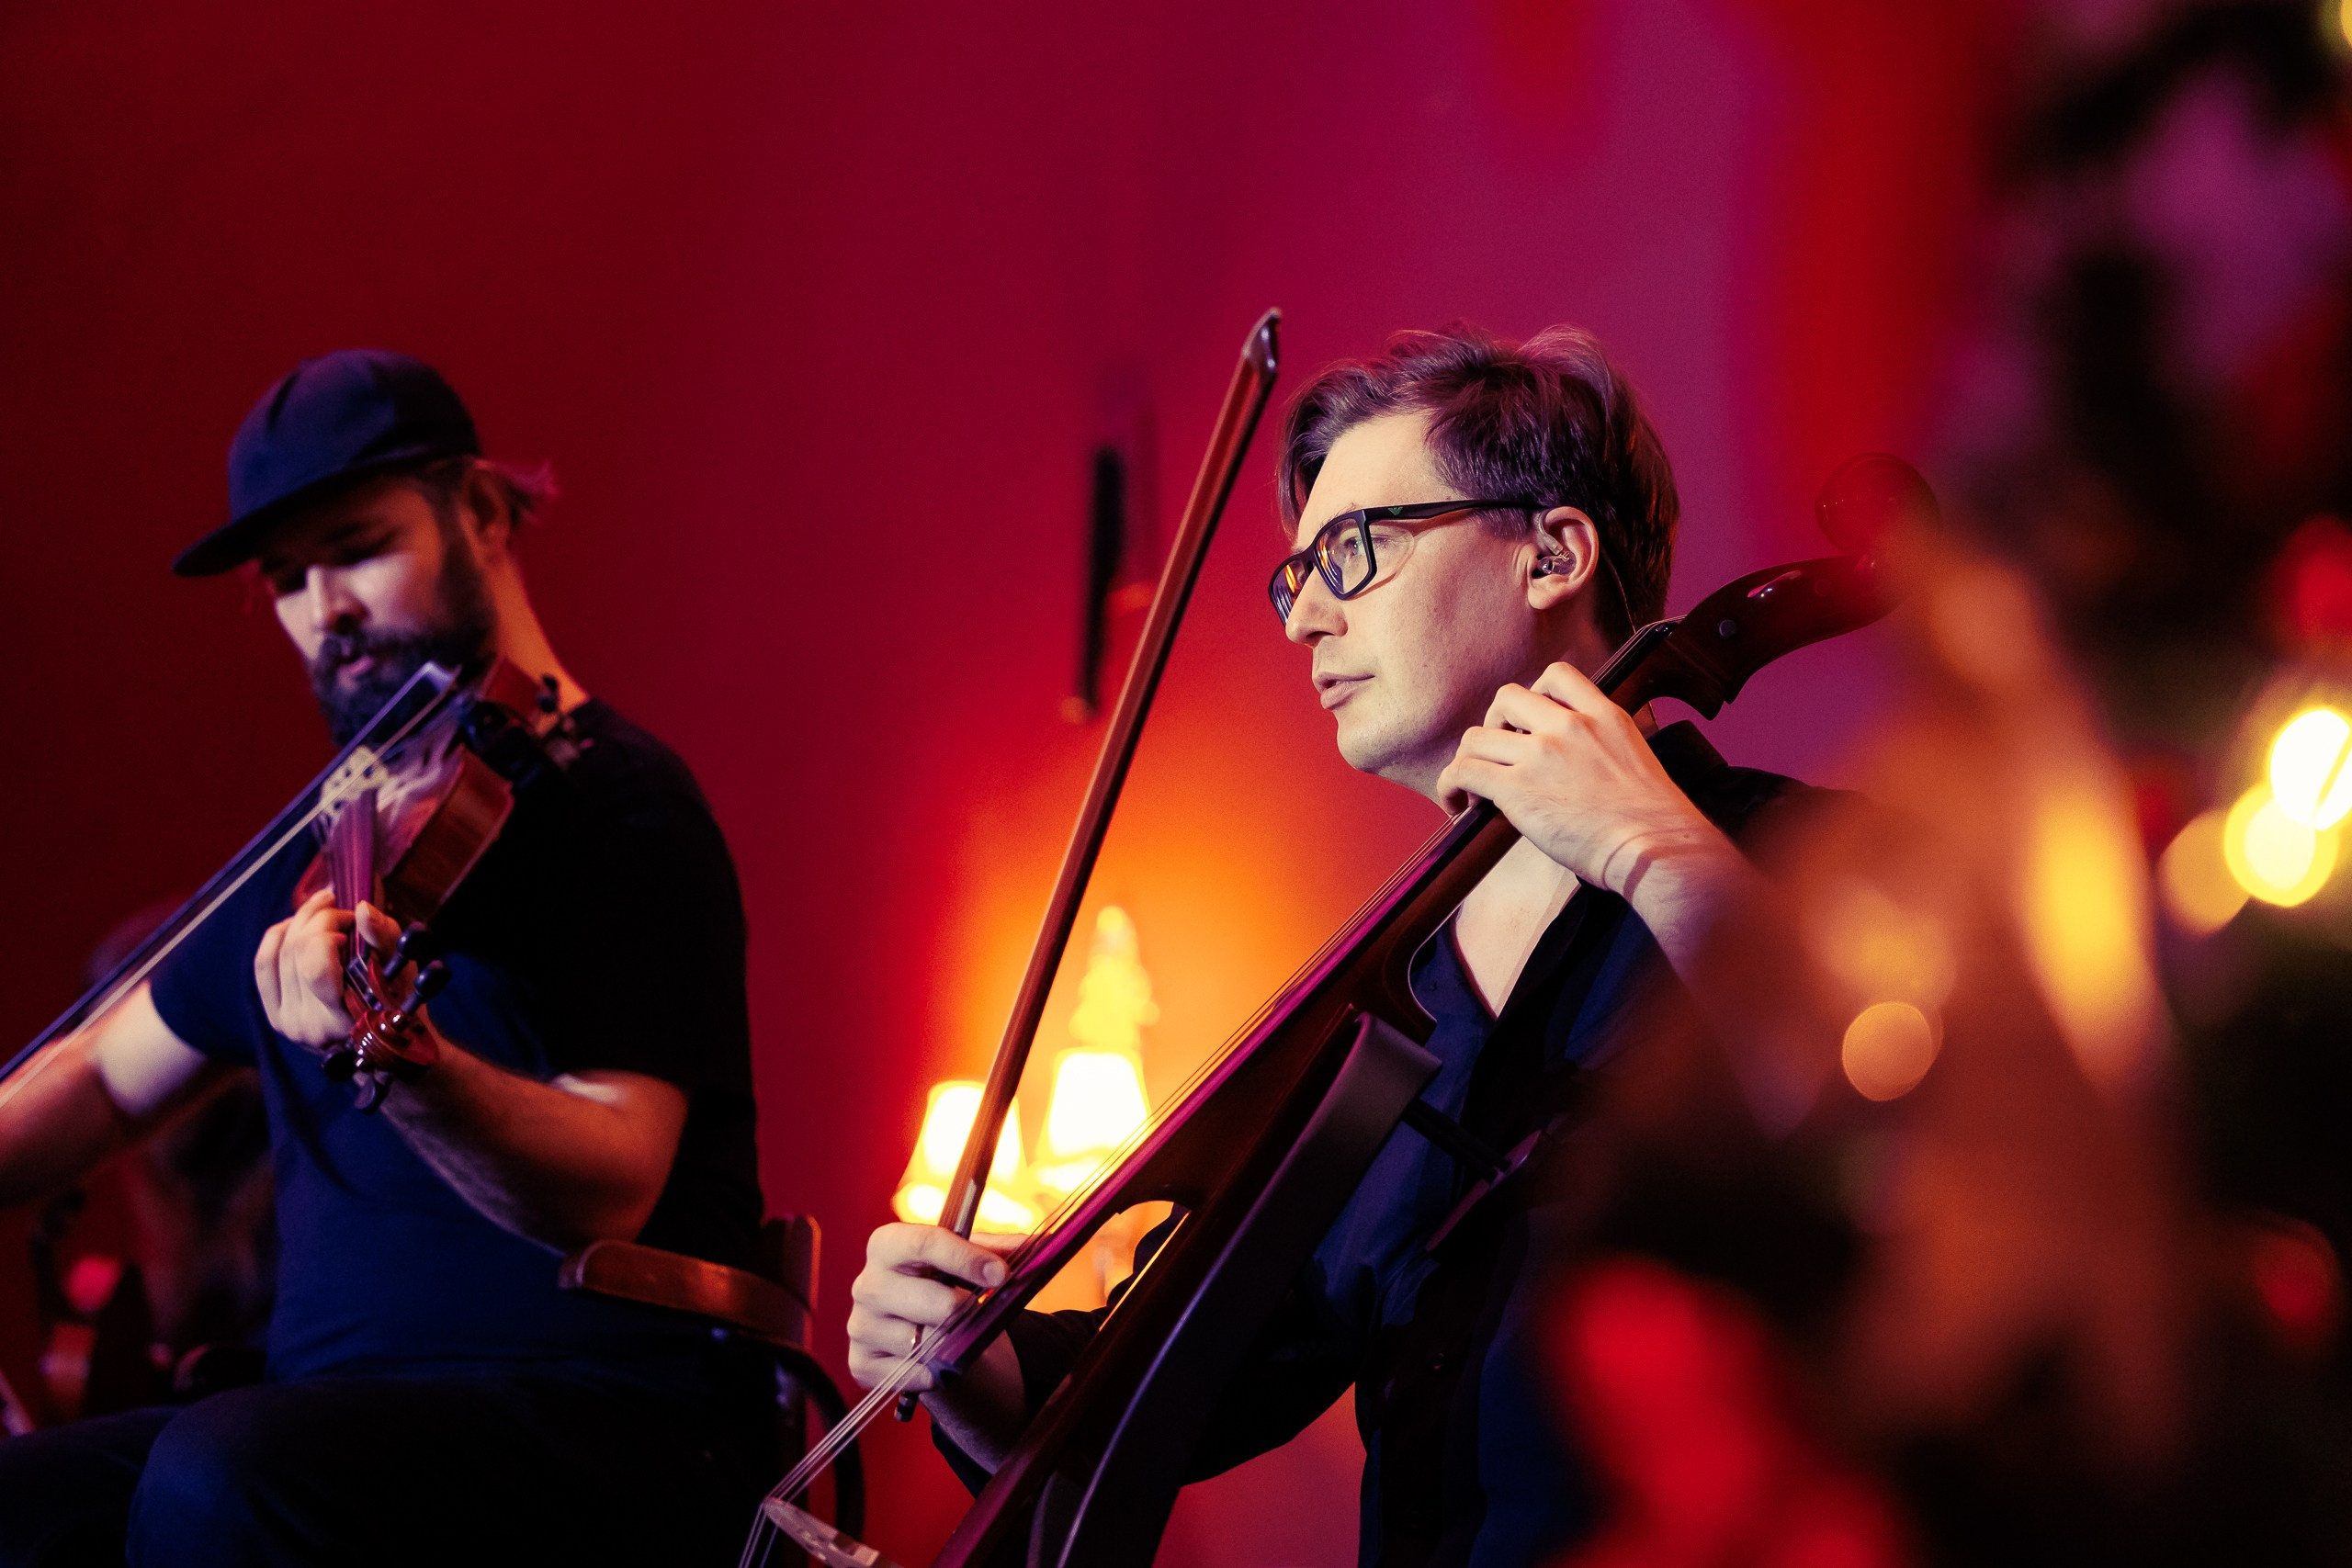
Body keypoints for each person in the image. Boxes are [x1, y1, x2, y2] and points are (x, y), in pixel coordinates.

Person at [846, 324, 1834, 1567]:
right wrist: (962, 1360)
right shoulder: (1385, 1012)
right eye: (1297, 575)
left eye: (1354, 550)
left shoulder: (1814, 864)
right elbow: (1165, 1404)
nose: (1305, 616)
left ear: (1551, 554)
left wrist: (1648, 849)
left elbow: (1901, 1133)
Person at [0, 350, 770, 1568]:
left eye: (357, 549)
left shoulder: (617, 803)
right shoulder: (331, 846)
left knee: (221, 1474)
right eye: (286, 581)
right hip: (332, 1427)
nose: (325, 611)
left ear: (482, 511)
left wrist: (392, 1054)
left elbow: (613, 1180)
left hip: (606, 1420)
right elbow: (101, 1075)